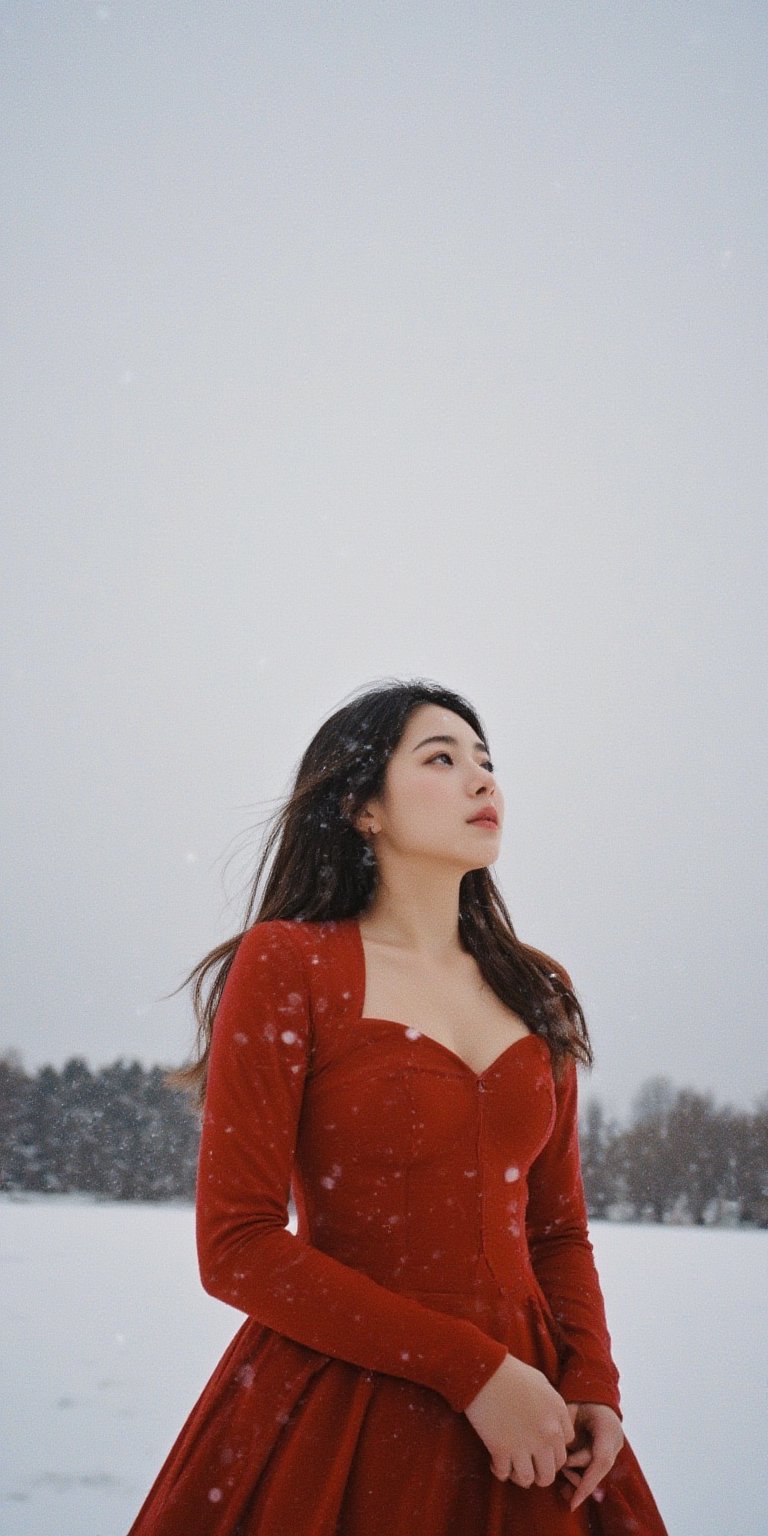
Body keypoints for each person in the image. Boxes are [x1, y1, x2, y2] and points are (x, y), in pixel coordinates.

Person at [127, 678, 668, 1535]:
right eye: (442, 759)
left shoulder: (538, 987)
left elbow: (555, 1228)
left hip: (536, 1425)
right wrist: (473, 1373)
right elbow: (238, 1246)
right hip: (342, 1408)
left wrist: (592, 1386)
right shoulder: (290, 963)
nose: (483, 782)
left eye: (487, 762)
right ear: (361, 807)